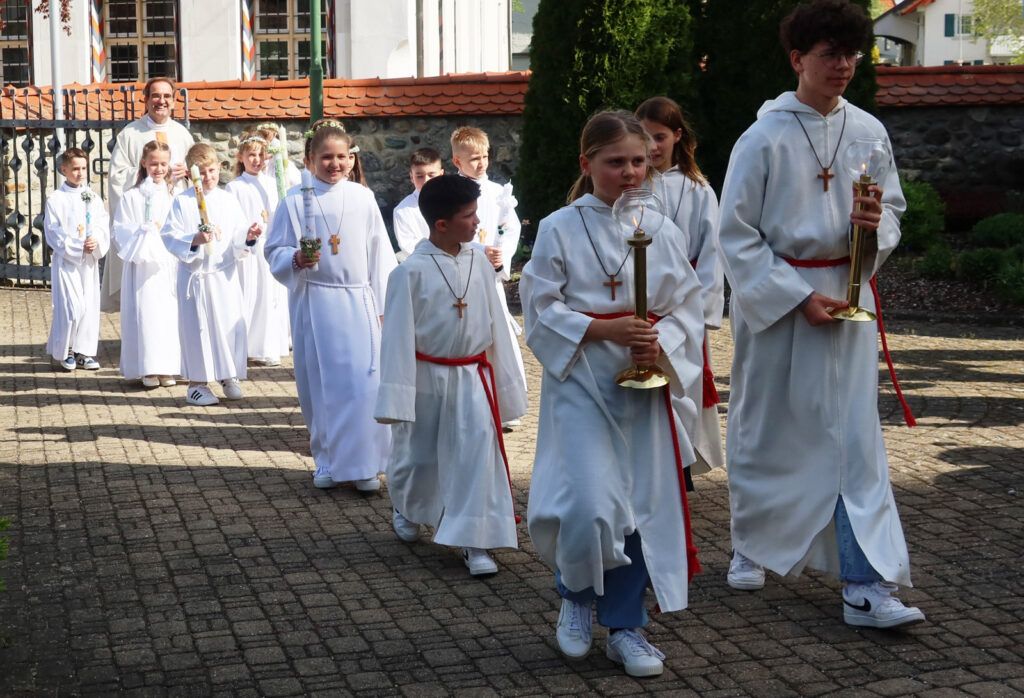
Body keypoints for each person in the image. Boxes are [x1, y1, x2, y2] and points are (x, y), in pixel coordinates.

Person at [716, 0, 924, 629]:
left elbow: (893, 210)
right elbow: (736, 233)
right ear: (797, 58)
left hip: (847, 291)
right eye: (830, 54)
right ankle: (752, 542)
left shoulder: (869, 130)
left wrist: (874, 225)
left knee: (853, 443)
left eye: (852, 54)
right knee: (769, 428)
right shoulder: (763, 137)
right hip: (782, 300)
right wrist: (796, 298)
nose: (844, 66)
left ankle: (865, 584)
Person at [519, 111, 705, 677]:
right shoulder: (559, 227)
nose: (629, 172)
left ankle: (626, 626)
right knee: (588, 505)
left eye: (639, 161)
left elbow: (688, 303)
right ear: (587, 163)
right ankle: (576, 596)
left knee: (639, 505)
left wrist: (658, 341)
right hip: (581, 380)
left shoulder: (662, 228)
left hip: (643, 383)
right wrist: (603, 329)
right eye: (615, 161)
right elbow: (540, 306)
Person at [375, 174, 527, 576]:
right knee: (419, 457)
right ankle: (407, 506)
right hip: (426, 379)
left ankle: (474, 541)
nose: (477, 221)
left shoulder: (479, 261)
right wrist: (397, 398)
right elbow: (396, 339)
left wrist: (505, 380)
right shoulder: (408, 273)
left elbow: (494, 320)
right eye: (469, 215)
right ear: (441, 224)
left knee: (474, 458)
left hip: (472, 377)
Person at [264, 118, 397, 492]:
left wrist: (385, 308)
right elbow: (274, 249)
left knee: (363, 386)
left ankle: (366, 464)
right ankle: (325, 459)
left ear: (351, 159)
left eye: (342, 157)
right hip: (315, 302)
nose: (335, 164)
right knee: (320, 387)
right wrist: (295, 259)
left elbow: (379, 253)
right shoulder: (294, 200)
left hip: (359, 302)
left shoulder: (362, 197)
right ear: (309, 160)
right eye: (326, 157)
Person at [636, 96, 725, 481]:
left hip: (683, 304)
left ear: (677, 136)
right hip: (640, 300)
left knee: (681, 383)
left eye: (659, 137)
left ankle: (681, 466)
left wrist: (700, 313)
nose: (652, 147)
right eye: (644, 138)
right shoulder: (632, 185)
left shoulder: (698, 189)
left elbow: (711, 252)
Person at [161, 143, 252, 406]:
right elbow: (169, 235)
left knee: (227, 325)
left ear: (219, 169)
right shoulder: (183, 201)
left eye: (212, 171)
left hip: (223, 274)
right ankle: (197, 384)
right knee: (198, 329)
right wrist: (195, 239)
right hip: (197, 276)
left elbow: (238, 233)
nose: (208, 176)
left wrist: (248, 236)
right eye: (201, 173)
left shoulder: (227, 199)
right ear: (191, 175)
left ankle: (227, 374)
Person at [450, 126, 526, 427]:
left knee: (498, 338)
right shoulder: (450, 191)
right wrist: (481, 250)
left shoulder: (498, 192)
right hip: (462, 277)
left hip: (490, 277)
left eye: (484, 156)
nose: (481, 163)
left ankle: (505, 404)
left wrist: (501, 255)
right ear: (457, 161)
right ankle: (473, 401)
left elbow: (510, 227)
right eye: (473, 158)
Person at [104, 77, 195, 311]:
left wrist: (187, 173)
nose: (161, 101)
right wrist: (149, 172)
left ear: (174, 101)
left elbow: (197, 172)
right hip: (144, 224)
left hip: (174, 216)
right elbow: (116, 176)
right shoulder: (130, 134)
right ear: (145, 99)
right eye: (155, 95)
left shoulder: (182, 134)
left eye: (166, 96)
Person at [112, 140, 180, 387]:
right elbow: (120, 229)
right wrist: (142, 230)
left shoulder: (174, 195)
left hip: (167, 262)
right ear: (144, 163)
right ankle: (148, 368)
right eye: (154, 164)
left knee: (168, 314)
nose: (159, 169)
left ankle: (168, 366)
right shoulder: (132, 196)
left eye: (163, 164)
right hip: (143, 265)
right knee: (146, 313)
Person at [226, 134, 291, 367]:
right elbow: (233, 220)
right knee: (251, 295)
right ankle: (247, 346)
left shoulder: (273, 184)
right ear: (241, 157)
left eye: (261, 155)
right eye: (251, 155)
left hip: (270, 245)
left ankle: (268, 346)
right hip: (249, 249)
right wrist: (247, 233)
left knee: (271, 298)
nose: (257, 159)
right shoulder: (235, 187)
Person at [45, 148, 110, 371]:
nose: (80, 173)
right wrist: (75, 246)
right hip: (67, 262)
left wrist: (96, 240)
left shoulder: (92, 197)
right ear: (64, 169)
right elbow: (53, 231)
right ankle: (68, 350)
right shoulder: (56, 199)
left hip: (88, 263)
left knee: (89, 306)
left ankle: (84, 352)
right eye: (75, 169)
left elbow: (102, 224)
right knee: (72, 307)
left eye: (83, 168)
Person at [392, 147, 444, 261]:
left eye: (431, 175)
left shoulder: (454, 201)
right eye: (419, 176)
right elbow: (408, 245)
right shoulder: (402, 211)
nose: (426, 181)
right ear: (412, 177)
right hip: (425, 264)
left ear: (441, 174)